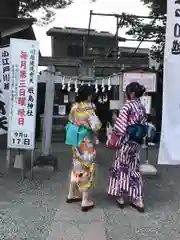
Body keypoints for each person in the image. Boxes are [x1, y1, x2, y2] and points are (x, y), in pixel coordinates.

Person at [108, 82, 146, 213]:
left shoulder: (127, 106)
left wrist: (114, 120)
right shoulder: (141, 106)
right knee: (134, 169)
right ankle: (138, 199)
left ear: (132, 93)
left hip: (126, 142)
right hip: (136, 142)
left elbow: (120, 128)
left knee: (120, 167)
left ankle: (120, 197)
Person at [66, 85, 102, 212]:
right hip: (86, 143)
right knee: (87, 168)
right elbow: (96, 127)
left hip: (76, 141)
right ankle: (85, 200)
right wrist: (98, 136)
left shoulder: (74, 107)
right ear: (88, 96)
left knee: (76, 166)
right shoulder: (89, 110)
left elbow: (70, 121)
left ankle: (71, 193)